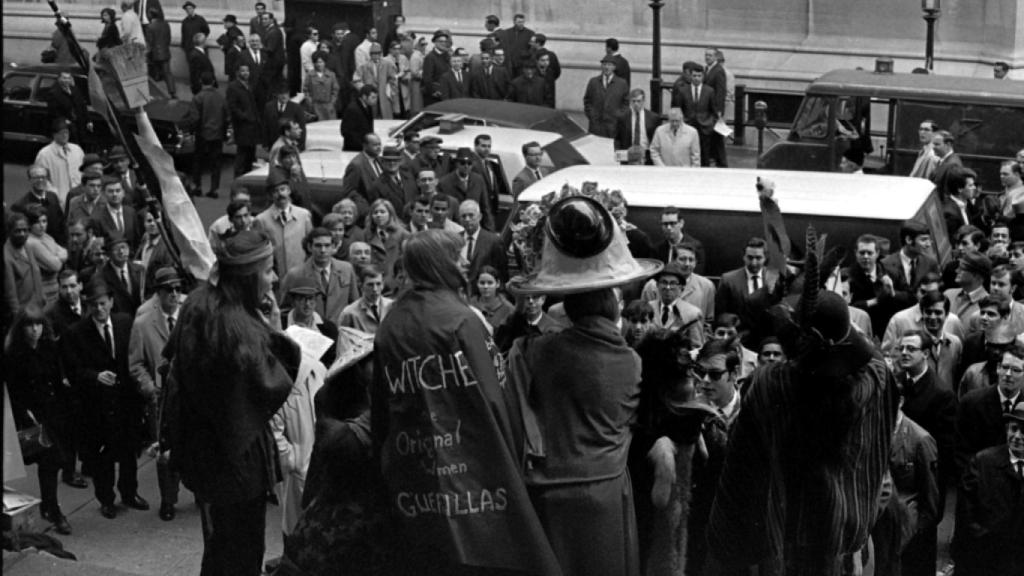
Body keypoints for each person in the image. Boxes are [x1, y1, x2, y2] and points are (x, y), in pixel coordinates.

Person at [370, 229, 561, 576]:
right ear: (438, 264)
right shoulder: (463, 320)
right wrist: (514, 454)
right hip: (476, 474)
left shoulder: (391, 323)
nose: (465, 262)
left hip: (415, 476)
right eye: (456, 256)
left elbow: (382, 406)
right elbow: (494, 397)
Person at [506, 195, 663, 576]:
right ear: (612, 306)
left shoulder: (534, 352)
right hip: (606, 489)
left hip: (549, 490)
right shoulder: (632, 361)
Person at [707, 283, 899, 574]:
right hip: (846, 536)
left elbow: (742, 464)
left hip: (783, 537)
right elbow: (871, 358)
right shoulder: (874, 380)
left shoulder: (768, 385)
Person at [162, 230, 294, 574]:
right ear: (248, 276)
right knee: (242, 552)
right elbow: (271, 386)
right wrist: (276, 333)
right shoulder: (237, 330)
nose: (275, 277)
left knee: (219, 547)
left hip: (204, 455)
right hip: (237, 463)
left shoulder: (198, 304)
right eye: (267, 270)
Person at [64, 278, 148, 520]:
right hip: (97, 406)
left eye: (102, 304)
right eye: (93, 305)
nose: (99, 309)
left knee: (129, 451)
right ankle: (107, 499)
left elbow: (134, 357)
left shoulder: (124, 323)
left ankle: (130, 493)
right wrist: (95, 376)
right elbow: (73, 370)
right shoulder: (77, 333)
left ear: (111, 302)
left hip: (125, 402)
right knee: (103, 457)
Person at [5, 305, 74, 534]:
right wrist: (25, 415)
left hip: (52, 411)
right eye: (29, 325)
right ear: (21, 328)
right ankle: (52, 509)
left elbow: (56, 379)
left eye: (38, 324)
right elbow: (13, 392)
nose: (35, 330)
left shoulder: (48, 348)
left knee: (51, 462)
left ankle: (50, 506)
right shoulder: (14, 356)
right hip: (30, 417)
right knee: (50, 459)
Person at [127, 267, 183, 521]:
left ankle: (201, 493)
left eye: (178, 289)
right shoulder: (143, 323)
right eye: (168, 290)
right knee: (164, 453)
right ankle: (169, 500)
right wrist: (149, 387)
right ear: (158, 294)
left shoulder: (190, 317)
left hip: (191, 395)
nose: (174, 294)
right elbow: (136, 364)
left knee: (195, 446)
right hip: (161, 400)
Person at [953, 399, 1024, 576]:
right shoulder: (983, 462)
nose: (1017, 436)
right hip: (985, 558)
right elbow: (965, 513)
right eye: (1014, 428)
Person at [279, 227, 359, 325]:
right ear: (309, 247)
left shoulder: (346, 269)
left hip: (340, 330)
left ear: (333, 246)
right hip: (310, 332)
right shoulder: (295, 274)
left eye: (327, 245)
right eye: (318, 246)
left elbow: (355, 305)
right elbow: (284, 310)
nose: (323, 250)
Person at [256, 172, 314, 276]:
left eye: (283, 189)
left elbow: (311, 245)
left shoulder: (303, 215)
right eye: (275, 191)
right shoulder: (262, 220)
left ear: (289, 191)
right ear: (270, 195)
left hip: (300, 273)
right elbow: (260, 251)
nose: (280, 194)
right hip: (276, 276)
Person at [187, 72, 228, 198]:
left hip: (202, 134)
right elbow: (226, 116)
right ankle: (214, 189)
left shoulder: (198, 98)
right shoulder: (220, 97)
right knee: (216, 162)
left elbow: (194, 118)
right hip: (217, 134)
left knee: (198, 161)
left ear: (201, 82)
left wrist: (192, 131)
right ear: (213, 82)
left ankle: (197, 186)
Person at [4, 212, 46, 323]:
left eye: (25, 230)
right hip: (24, 314)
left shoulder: (27, 246)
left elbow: (35, 272)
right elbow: (11, 294)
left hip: (38, 306)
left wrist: (42, 297)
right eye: (18, 231)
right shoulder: (6, 257)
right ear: (9, 232)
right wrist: (19, 319)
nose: (22, 234)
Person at [34, 117, 84, 208]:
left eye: (66, 132)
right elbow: (40, 180)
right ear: (54, 135)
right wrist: (54, 195)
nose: (65, 135)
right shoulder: (44, 154)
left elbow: (83, 172)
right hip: (58, 201)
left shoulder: (77, 150)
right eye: (61, 133)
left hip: (79, 199)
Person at [13, 163, 68, 246]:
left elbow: (61, 224)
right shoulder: (20, 205)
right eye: (36, 177)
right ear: (29, 179)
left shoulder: (53, 196)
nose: (40, 180)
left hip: (57, 247)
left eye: (43, 177)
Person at [24, 205, 67, 304]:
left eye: (44, 221)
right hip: (43, 293)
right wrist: (58, 256)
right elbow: (56, 266)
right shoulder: (31, 242)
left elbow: (65, 252)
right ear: (30, 224)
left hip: (54, 289)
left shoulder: (46, 237)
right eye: (37, 222)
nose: (42, 225)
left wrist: (56, 257)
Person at [364, 199, 409, 289]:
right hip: (374, 282)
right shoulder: (366, 234)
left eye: (382, 212)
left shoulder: (403, 234)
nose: (379, 215)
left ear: (390, 214)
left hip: (395, 281)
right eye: (375, 212)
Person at [226, 63, 261, 177]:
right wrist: (244, 116)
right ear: (237, 73)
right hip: (242, 126)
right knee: (242, 154)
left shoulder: (249, 85)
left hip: (252, 125)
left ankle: (247, 177)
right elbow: (232, 106)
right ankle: (237, 180)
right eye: (243, 71)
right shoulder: (233, 87)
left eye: (247, 71)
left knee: (250, 155)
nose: (246, 73)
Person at [583, 55, 629, 137]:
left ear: (614, 67)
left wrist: (618, 116)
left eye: (610, 65)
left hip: (613, 127)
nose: (607, 67)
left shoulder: (622, 83)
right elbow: (587, 101)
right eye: (604, 64)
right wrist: (592, 115)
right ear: (601, 66)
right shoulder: (593, 82)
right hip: (596, 126)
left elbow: (626, 103)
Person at [337, 264, 391, 334]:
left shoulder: (392, 307)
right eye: (370, 285)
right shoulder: (349, 313)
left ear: (383, 285)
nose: (375, 289)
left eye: (378, 284)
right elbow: (343, 340)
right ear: (361, 285)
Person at [614, 88, 660, 165]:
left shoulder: (653, 118)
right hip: (628, 156)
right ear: (630, 102)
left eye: (639, 101)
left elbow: (657, 139)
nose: (636, 104)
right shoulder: (623, 117)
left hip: (647, 156)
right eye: (633, 101)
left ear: (644, 101)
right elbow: (617, 138)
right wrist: (618, 153)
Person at [46, 71, 90, 147]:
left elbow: (82, 105)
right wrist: (65, 120)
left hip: (79, 122)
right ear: (59, 79)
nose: (66, 80)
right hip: (65, 125)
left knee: (81, 142)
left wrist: (88, 120)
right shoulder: (54, 93)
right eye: (64, 78)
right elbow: (53, 111)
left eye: (68, 78)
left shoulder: (75, 90)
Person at [469, 265, 514, 331]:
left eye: (490, 283)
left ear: (497, 283)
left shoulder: (508, 309)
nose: (486, 286)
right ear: (477, 283)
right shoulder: (470, 305)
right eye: (482, 283)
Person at [145, 8, 175, 96]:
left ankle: (157, 93)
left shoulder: (150, 27)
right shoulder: (166, 24)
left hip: (155, 53)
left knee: (154, 73)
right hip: (165, 51)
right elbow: (168, 38)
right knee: (167, 73)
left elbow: (150, 41)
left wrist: (147, 53)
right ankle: (172, 91)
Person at [303, 51, 339, 121]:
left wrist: (332, 103)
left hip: (328, 107)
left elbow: (335, 90)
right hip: (315, 107)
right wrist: (310, 103)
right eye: (317, 62)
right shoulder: (309, 75)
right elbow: (305, 90)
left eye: (321, 62)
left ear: (325, 62)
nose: (319, 64)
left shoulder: (331, 75)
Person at [341, 86, 378, 152]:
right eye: (373, 97)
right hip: (353, 150)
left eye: (376, 97)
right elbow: (346, 131)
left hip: (365, 148)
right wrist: (362, 145)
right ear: (364, 97)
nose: (375, 100)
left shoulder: (368, 107)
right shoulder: (352, 109)